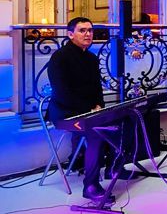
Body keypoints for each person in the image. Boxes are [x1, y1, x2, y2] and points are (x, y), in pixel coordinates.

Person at [47, 17, 132, 203]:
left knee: (126, 118)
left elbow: (97, 89)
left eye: (90, 30)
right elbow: (62, 92)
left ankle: (114, 167)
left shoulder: (91, 58)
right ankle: (91, 186)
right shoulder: (60, 58)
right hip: (65, 114)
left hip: (89, 112)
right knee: (95, 132)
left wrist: (99, 107)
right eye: (82, 30)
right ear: (71, 34)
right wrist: (89, 109)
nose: (88, 34)